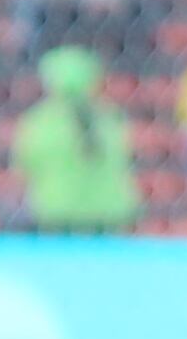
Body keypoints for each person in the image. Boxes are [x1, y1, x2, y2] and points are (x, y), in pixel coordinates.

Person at [10, 44, 138, 233]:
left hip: (56, 212)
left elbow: (23, 169)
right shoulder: (111, 117)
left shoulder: (38, 121)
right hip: (110, 213)